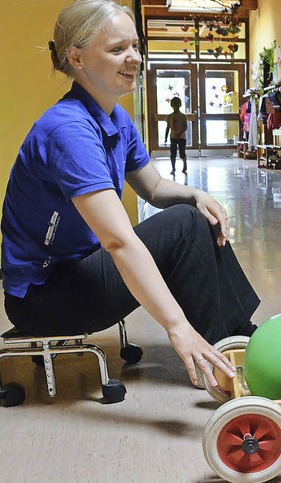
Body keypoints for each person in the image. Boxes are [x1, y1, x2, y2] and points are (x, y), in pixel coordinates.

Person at [1, 0, 259, 392]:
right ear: (77, 57)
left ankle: (238, 336)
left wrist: (195, 194)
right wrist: (177, 328)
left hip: (77, 269)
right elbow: (118, 241)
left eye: (135, 46)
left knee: (194, 213)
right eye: (117, 49)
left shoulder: (114, 117)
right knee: (185, 223)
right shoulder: (68, 130)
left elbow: (153, 188)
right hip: (44, 297)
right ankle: (224, 353)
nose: (134, 58)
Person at [164, 96, 188, 174]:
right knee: (173, 153)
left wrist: (180, 133)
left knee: (182, 153)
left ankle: (184, 164)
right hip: (173, 137)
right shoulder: (170, 116)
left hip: (181, 137)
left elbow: (185, 127)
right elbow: (167, 127)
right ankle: (173, 168)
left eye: (176, 105)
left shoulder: (183, 116)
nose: (175, 107)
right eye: (174, 105)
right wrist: (166, 138)